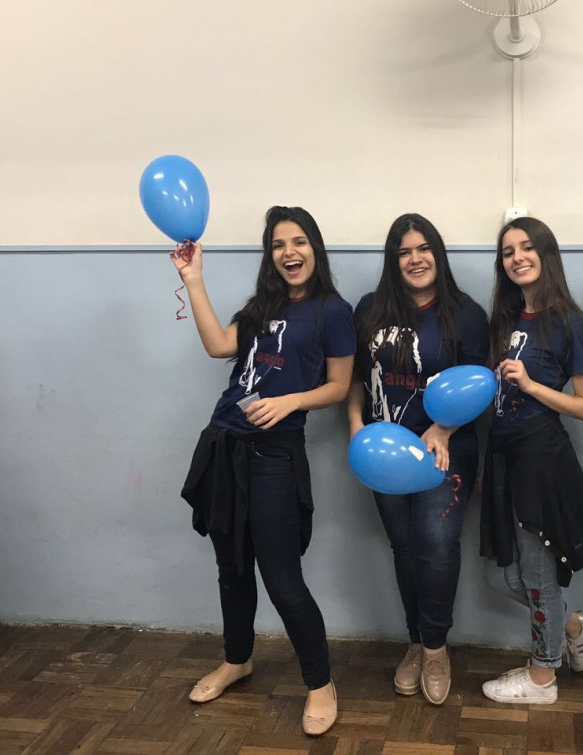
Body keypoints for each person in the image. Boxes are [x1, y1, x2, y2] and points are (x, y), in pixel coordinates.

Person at [177, 206, 356, 737]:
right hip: (225, 448)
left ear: (315, 249)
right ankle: (237, 660)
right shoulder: (261, 306)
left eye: (299, 242)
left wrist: (291, 403)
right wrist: (193, 279)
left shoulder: (332, 310)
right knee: (231, 568)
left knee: (282, 579)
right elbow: (218, 346)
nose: (289, 253)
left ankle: (321, 685)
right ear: (270, 254)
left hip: (275, 456)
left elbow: (340, 385)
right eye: (278, 245)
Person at [347, 213, 489, 705]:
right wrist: (354, 426)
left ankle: (435, 647)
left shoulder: (466, 313)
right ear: (393, 260)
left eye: (424, 248)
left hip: (443, 450)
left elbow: (479, 385)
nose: (415, 258)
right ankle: (415, 641)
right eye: (405, 251)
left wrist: (443, 427)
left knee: (437, 545)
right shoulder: (368, 309)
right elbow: (355, 380)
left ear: (438, 254)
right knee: (404, 547)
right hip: (382, 452)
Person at [479, 216, 583, 705]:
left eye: (526, 247)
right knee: (503, 576)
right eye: (508, 251)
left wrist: (532, 386)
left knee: (537, 576)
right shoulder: (507, 320)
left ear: (546, 253)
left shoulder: (568, 319)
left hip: (542, 459)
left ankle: (542, 678)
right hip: (504, 459)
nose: (517, 257)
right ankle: (573, 625)